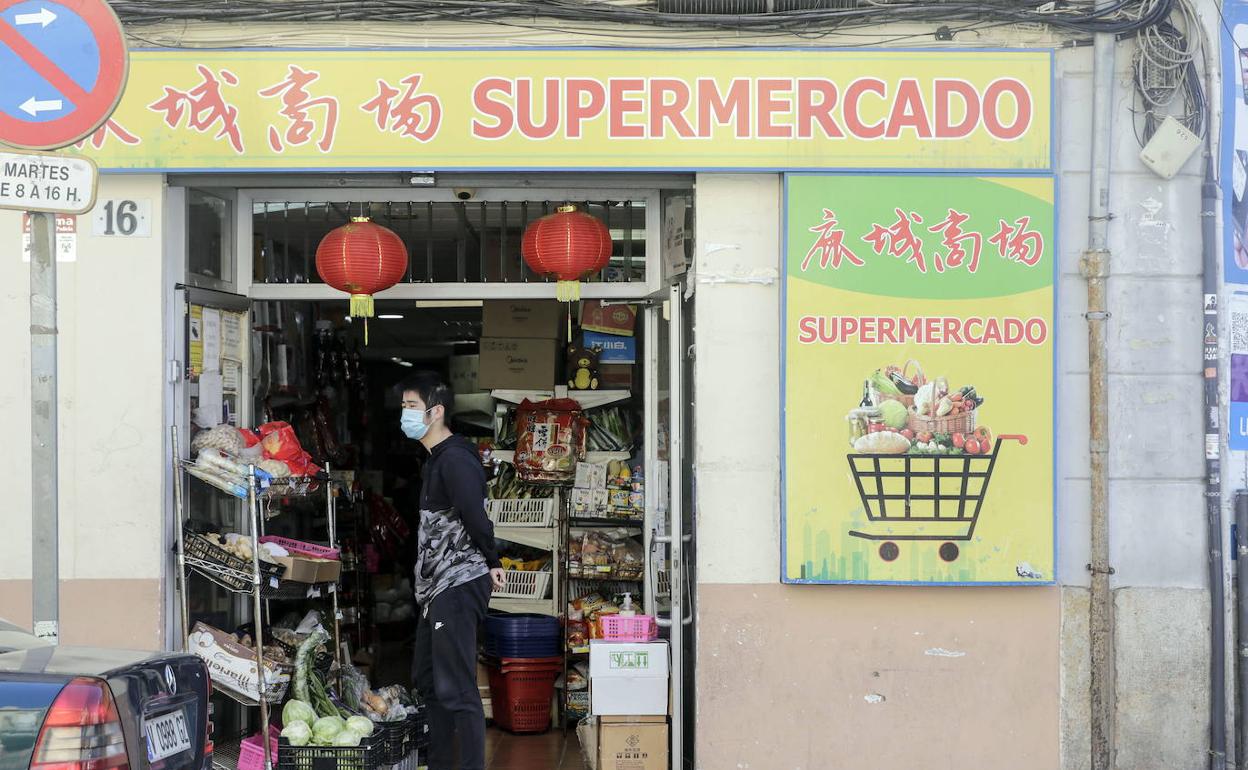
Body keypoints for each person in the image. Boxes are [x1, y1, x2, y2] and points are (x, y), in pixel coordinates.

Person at [400, 372, 505, 770]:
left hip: (458, 583)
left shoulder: (457, 459)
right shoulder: (436, 460)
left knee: (458, 687)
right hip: (437, 589)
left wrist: (493, 560)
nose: (404, 414)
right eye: (405, 406)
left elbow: (475, 517)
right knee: (428, 679)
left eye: (411, 406)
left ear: (436, 411)